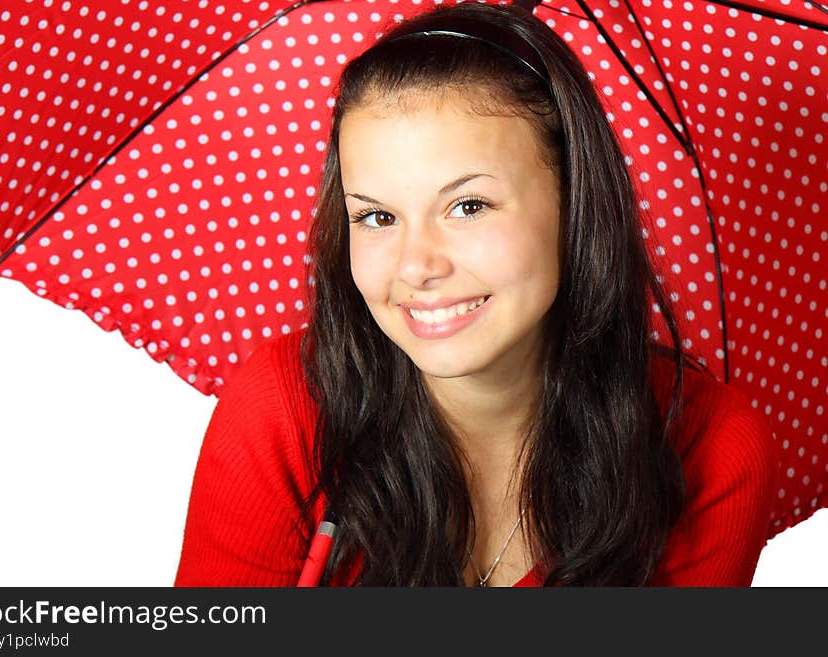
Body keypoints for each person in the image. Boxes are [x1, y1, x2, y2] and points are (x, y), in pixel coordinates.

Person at [174, 1, 778, 586]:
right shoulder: (283, 412)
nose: (416, 266)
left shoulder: (711, 450)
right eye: (377, 217)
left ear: (575, 205)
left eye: (468, 205)